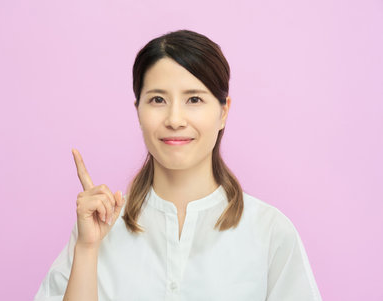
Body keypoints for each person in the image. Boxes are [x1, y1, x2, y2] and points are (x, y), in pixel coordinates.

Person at [33, 29, 322, 301]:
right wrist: (86, 249)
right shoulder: (97, 228)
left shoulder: (269, 232)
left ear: (223, 112)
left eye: (194, 99)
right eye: (158, 99)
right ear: (138, 111)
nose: (174, 119)